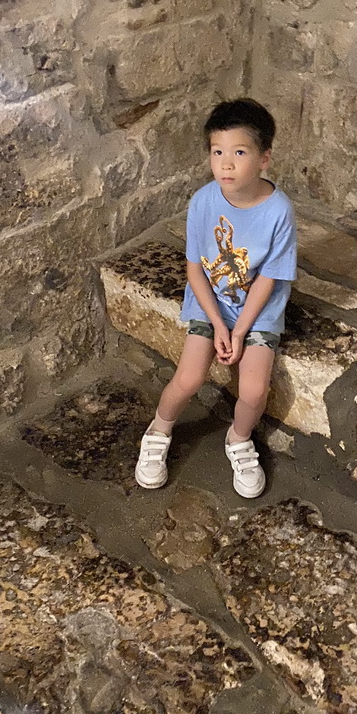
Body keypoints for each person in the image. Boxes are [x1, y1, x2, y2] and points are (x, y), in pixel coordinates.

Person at [135, 97, 297, 498]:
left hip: (257, 312)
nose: (226, 164)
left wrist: (239, 332)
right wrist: (218, 323)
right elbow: (195, 269)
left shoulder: (279, 211)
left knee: (255, 390)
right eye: (217, 152)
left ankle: (238, 439)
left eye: (239, 152)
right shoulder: (203, 201)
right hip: (211, 301)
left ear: (264, 158)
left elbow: (268, 280)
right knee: (189, 376)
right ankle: (159, 429)